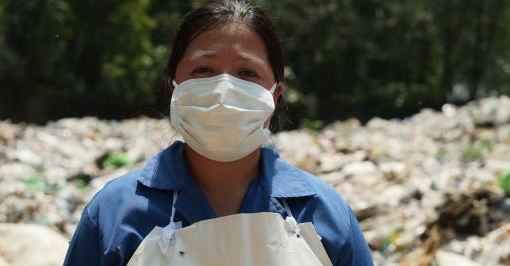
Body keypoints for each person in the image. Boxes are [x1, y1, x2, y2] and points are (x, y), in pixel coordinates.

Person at [63, 0, 373, 265]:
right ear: (175, 87)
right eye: (204, 70)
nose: (223, 89)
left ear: (274, 96)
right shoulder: (114, 213)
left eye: (247, 73)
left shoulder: (325, 214)